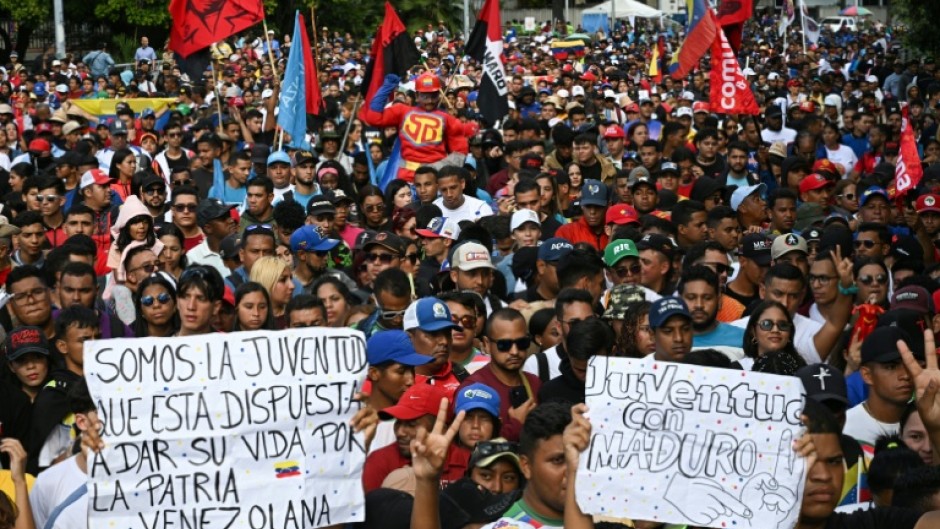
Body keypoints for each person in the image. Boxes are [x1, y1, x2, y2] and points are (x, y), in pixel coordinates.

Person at [460, 308, 542, 442]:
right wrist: (515, 424)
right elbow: (472, 448)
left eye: (522, 343)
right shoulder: (473, 389)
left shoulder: (535, 383)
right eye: (504, 345)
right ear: (487, 344)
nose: (514, 351)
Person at [844, 326, 920, 449]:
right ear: (867, 375)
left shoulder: (926, 422)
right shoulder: (846, 427)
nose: (905, 375)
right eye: (891, 367)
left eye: (908, 364)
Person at [538, 317, 614, 405]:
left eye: (595, 369)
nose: (588, 376)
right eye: (581, 370)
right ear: (569, 356)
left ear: (612, 354)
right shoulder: (550, 392)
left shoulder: (626, 388)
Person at [648, 296, 693, 362]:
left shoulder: (705, 365)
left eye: (685, 329)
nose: (679, 338)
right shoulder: (637, 368)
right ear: (652, 335)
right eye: (668, 331)